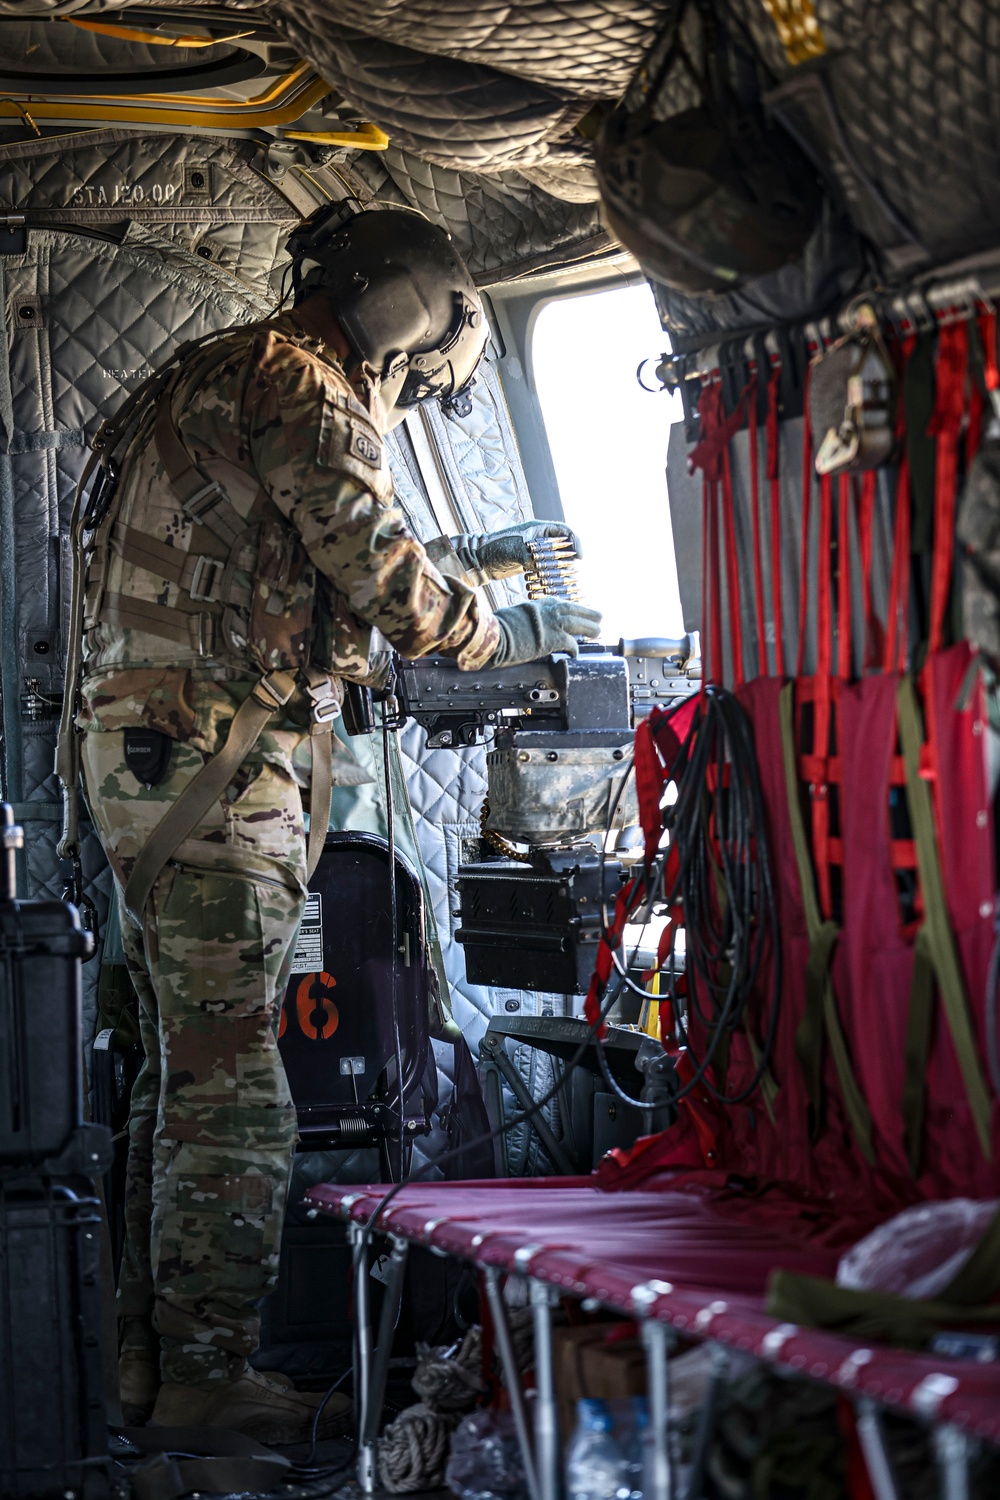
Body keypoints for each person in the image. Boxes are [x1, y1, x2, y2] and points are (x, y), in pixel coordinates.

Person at [57, 201, 601, 1442]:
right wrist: (504, 633)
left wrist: (476, 565)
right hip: (211, 770)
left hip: (153, 768)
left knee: (170, 1078)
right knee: (236, 1087)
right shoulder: (301, 384)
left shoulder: (216, 367)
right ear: (411, 311)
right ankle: (206, 1378)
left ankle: (145, 1370)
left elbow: (289, 556)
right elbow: (389, 585)